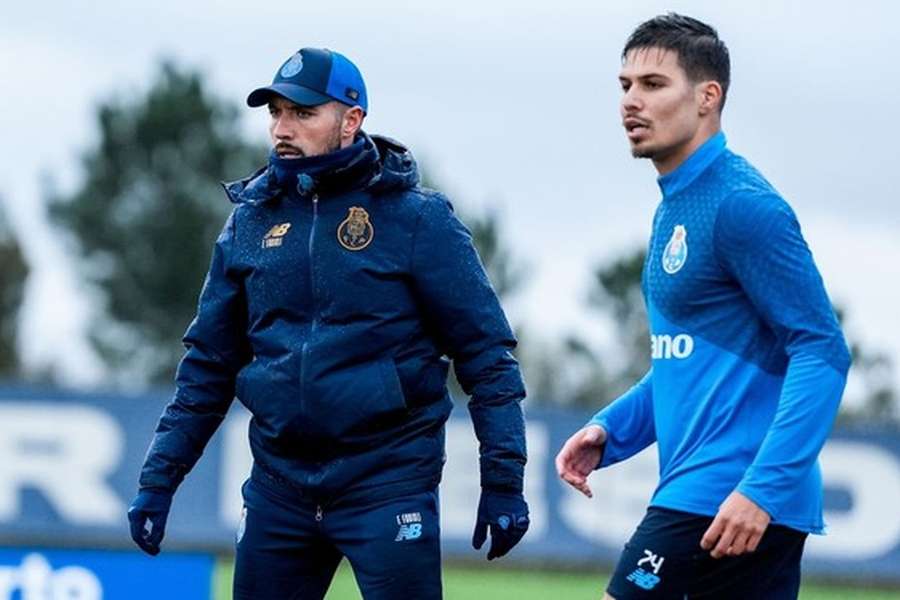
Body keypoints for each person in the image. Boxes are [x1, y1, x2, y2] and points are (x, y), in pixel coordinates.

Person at [127, 47, 529, 599]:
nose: (282, 129)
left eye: (303, 113)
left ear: (352, 119)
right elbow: (208, 365)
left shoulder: (416, 218)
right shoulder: (250, 219)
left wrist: (504, 482)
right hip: (279, 487)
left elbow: (487, 357)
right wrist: (159, 481)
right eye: (275, 113)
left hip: (388, 484)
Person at [555, 14, 850, 600]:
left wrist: (761, 490)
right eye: (625, 86)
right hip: (720, 496)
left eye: (653, 85)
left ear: (707, 97)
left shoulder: (742, 206)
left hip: (726, 495)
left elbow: (823, 351)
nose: (631, 102)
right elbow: (685, 359)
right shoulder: (675, 207)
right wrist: (611, 427)